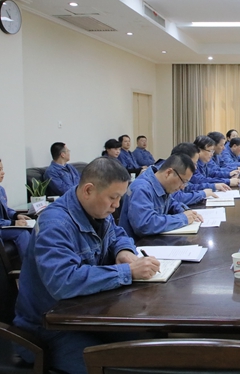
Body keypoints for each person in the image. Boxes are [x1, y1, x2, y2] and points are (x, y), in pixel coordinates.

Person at [13, 157, 160, 374]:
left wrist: (124, 251)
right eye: (113, 198)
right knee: (115, 368)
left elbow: (118, 233)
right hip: (48, 328)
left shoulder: (95, 209)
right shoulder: (55, 224)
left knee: (150, 343)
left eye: (119, 198)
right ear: (88, 190)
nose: (116, 205)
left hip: (87, 313)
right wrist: (127, 271)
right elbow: (63, 281)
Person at [119, 153, 202, 238]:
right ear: (168, 173)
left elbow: (171, 203)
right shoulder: (141, 188)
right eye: (183, 181)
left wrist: (185, 211)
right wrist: (183, 218)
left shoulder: (162, 185)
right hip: (138, 243)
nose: (182, 187)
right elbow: (145, 224)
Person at [0, 158, 31, 261]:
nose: (3, 172)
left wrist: (16, 215)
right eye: (0, 170)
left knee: (32, 228)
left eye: (2, 169)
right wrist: (13, 223)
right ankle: (29, 267)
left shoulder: (1, 189)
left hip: (3, 226)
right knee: (22, 233)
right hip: (1, 227)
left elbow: (6, 209)